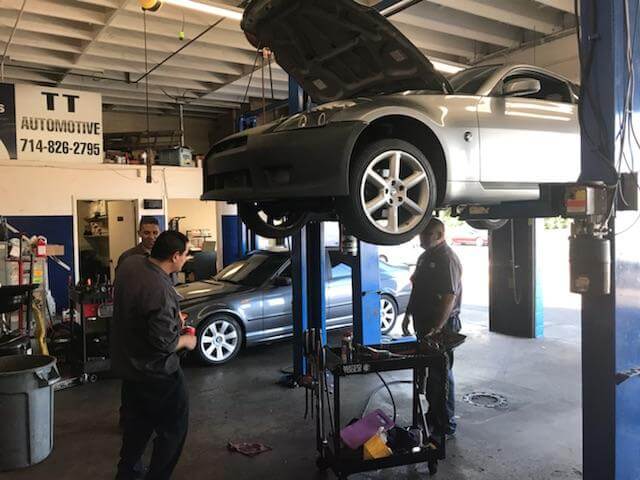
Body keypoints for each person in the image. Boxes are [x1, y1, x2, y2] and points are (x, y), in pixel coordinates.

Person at [111, 231, 197, 480]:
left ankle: (127, 474)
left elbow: (141, 310)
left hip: (130, 368)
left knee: (137, 427)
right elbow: (166, 343)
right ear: (175, 255)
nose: (187, 259)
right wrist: (187, 339)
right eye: (186, 254)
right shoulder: (160, 289)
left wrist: (171, 319)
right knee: (174, 430)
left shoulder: (131, 264)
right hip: (158, 374)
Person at [403, 217, 463, 439]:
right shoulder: (424, 257)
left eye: (425, 235)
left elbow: (449, 296)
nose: (420, 238)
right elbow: (417, 288)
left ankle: (446, 423)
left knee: (441, 375)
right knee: (427, 374)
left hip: (442, 326)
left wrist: (437, 328)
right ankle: (433, 414)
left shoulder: (447, 259)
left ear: (438, 235)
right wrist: (408, 314)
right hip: (423, 324)